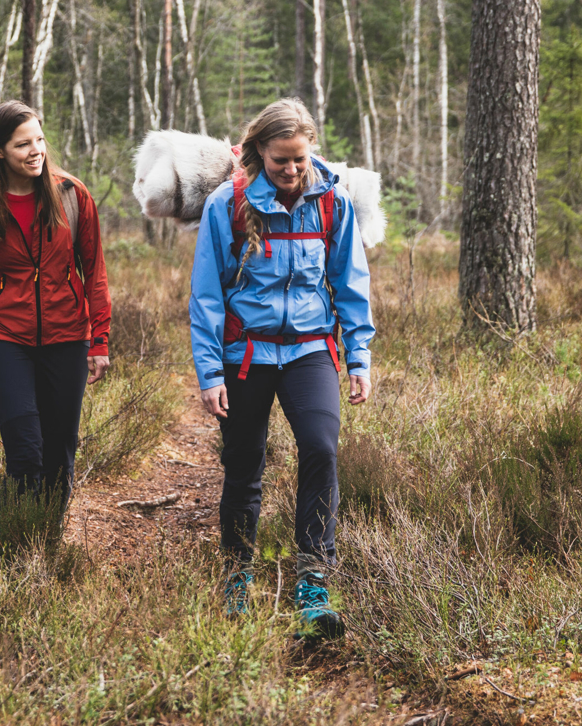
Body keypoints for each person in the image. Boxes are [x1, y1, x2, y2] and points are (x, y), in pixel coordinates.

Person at [189, 98, 374, 638]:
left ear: (310, 150)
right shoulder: (226, 205)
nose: (292, 172)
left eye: (299, 159)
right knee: (244, 462)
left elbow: (350, 283)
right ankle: (237, 573)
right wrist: (210, 373)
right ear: (258, 154)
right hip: (245, 352)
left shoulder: (332, 203)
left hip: (311, 351)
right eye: (279, 162)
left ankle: (313, 580)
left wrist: (358, 356)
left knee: (321, 448)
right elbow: (206, 297)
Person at [0, 100, 111, 524]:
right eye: (23, 145)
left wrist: (99, 340)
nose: (36, 150)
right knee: (25, 450)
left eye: (39, 139)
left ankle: (47, 547)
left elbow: (94, 272)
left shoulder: (72, 196)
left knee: (59, 455)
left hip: (68, 338)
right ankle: (15, 545)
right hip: (3, 340)